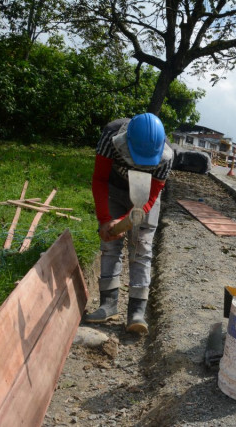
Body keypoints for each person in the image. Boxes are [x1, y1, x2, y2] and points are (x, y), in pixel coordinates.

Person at [84, 113, 174, 334]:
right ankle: (108, 304)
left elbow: (150, 197)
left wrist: (130, 218)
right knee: (110, 244)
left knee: (141, 247)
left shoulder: (167, 155)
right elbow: (99, 179)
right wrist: (106, 219)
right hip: (114, 189)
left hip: (145, 197)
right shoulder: (111, 136)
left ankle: (136, 312)